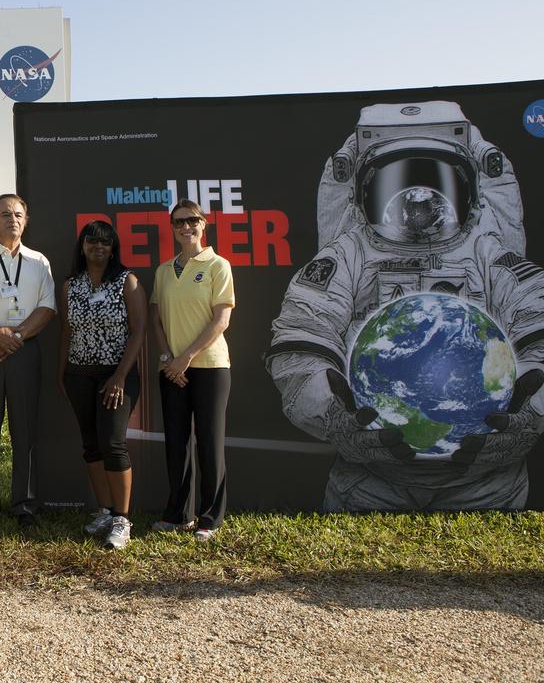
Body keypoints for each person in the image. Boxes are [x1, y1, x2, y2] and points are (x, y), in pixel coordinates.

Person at [268, 101, 544, 511]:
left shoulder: (488, 254)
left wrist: (532, 415)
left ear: (471, 194)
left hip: (486, 479)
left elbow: (538, 322)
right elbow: (301, 342)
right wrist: (333, 417)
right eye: (399, 188)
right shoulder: (349, 254)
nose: (418, 205)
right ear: (362, 196)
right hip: (369, 476)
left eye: (436, 185)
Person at [57, 220, 146, 549]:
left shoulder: (127, 281)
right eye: (92, 241)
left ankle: (122, 519)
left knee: (113, 442)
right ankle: (105, 512)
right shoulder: (71, 285)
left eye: (106, 242)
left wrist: (120, 376)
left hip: (116, 374)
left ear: (113, 248)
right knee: (91, 444)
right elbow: (67, 333)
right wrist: (61, 373)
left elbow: (139, 331)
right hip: (78, 374)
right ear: (82, 246)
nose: (99, 246)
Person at [150, 198, 235, 541]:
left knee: (209, 443)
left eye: (192, 221)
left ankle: (210, 518)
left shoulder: (218, 265)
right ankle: (178, 514)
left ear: (204, 224)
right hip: (172, 369)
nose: (186, 227)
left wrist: (186, 356)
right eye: (179, 222)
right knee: (176, 443)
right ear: (172, 228)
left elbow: (221, 320)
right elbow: (156, 318)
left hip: (210, 366)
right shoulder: (163, 270)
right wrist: (169, 357)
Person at [0, 194, 55, 528]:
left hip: (25, 349)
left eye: (19, 214)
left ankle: (25, 503)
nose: (12, 220)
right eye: (5, 214)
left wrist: (17, 336)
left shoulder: (39, 261)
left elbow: (47, 307)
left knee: (25, 431)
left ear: (26, 219)